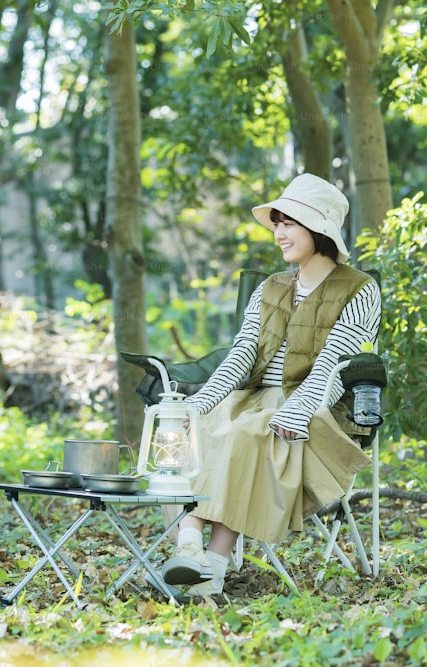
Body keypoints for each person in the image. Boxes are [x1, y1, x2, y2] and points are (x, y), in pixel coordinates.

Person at [160, 173, 381, 597]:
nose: (279, 233)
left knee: (247, 435)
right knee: (200, 430)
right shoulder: (271, 286)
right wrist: (199, 405)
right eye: (276, 222)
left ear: (318, 228)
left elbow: (336, 361)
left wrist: (297, 410)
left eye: (289, 222)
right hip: (253, 396)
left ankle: (208, 563)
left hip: (314, 406)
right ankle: (194, 553)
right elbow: (242, 354)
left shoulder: (359, 288)